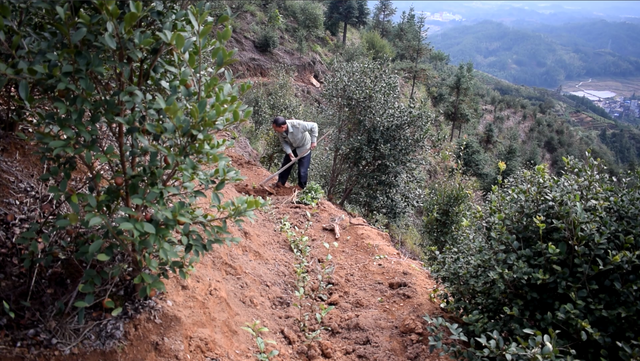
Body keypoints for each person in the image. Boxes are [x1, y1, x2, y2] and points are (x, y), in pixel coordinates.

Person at [271, 116, 318, 189]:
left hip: (304, 147)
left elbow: (314, 125)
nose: (275, 131)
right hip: (292, 147)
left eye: (276, 129)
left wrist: (313, 141)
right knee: (285, 166)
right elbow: (284, 143)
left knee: (302, 170)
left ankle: (301, 187)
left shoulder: (298, 125)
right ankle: (280, 184)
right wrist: (289, 153)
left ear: (282, 127)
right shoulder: (280, 132)